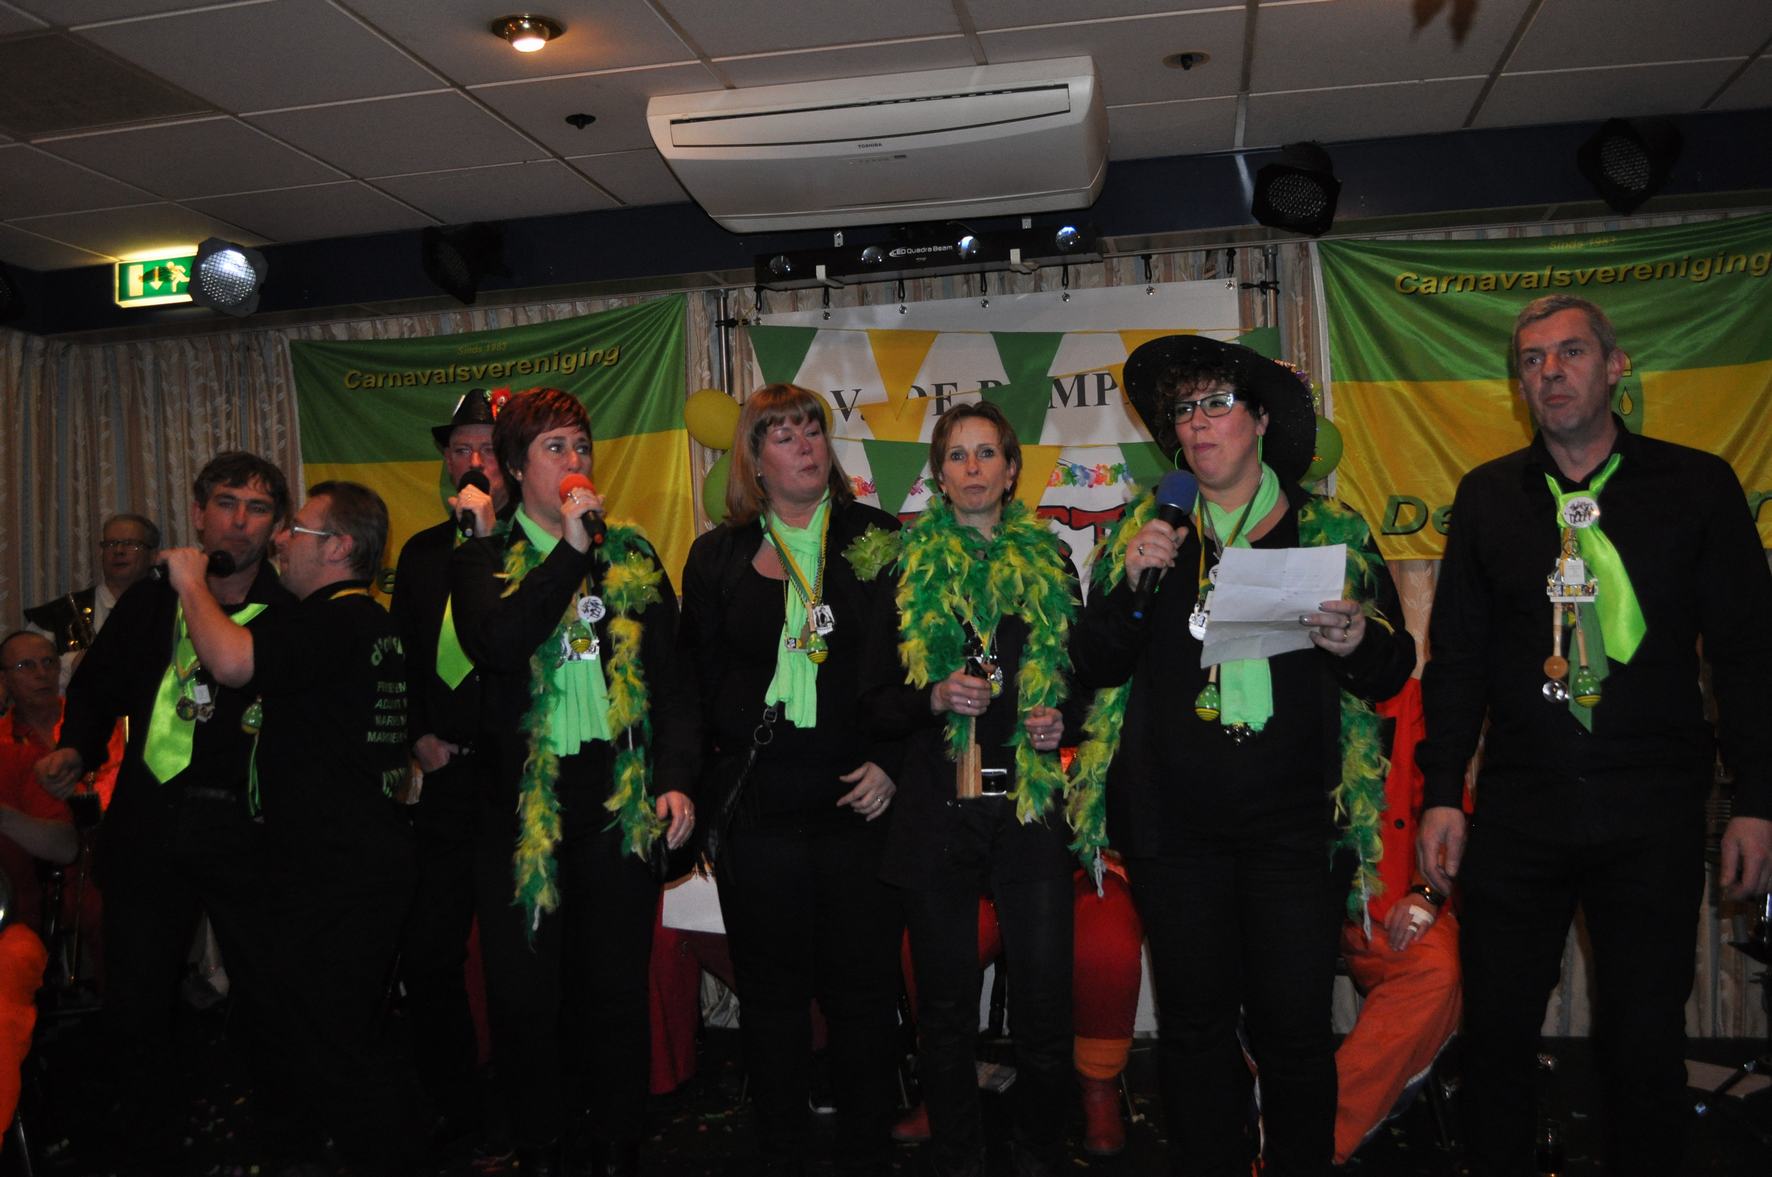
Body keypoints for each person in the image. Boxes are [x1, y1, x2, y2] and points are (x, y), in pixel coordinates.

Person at [1415, 295, 1772, 1177]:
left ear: (1615, 366)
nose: (1551, 372)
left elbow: (1746, 655)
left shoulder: (1697, 486)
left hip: (1651, 805)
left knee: (1643, 1040)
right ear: (1519, 384)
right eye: (1532, 360)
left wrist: (1758, 800)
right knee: (1496, 1033)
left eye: (1571, 352)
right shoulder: (1488, 496)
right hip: (1519, 807)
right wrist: (1441, 792)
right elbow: (1456, 660)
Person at [1069, 336, 1415, 1176]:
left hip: (1294, 829)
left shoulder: (1330, 531)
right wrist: (1133, 583)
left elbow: (1391, 667)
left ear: (1260, 420)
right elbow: (1095, 662)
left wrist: (1356, 638)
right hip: (1174, 830)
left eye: (1216, 404)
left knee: (1293, 1033)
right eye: (1184, 410)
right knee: (1193, 1030)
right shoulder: (1145, 532)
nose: (1197, 423)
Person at [450, 387, 695, 1177]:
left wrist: (675, 778)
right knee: (526, 997)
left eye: (581, 445)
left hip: (616, 797)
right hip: (522, 809)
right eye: (554, 447)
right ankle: (542, 1147)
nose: (574, 460)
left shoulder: (631, 553)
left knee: (616, 990)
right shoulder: (482, 556)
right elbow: (499, 642)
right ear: (514, 467)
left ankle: (619, 1144)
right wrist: (570, 550)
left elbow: (674, 683)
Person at [163, 480, 430, 1172]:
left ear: (338, 547)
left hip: (339, 871)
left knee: (337, 1044)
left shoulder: (336, 621)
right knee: (324, 1035)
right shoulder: (359, 621)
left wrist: (190, 582)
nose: (280, 539)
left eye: (297, 530)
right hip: (353, 861)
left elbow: (231, 662)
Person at [35, 451, 294, 1162]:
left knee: (268, 989)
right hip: (152, 815)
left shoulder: (288, 609)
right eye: (226, 503)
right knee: (137, 996)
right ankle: (150, 1139)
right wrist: (76, 747)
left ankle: (272, 1134)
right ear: (199, 513)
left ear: (276, 526)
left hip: (246, 825)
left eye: (257, 508)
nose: (239, 520)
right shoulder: (152, 601)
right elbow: (96, 688)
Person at [677, 383, 902, 1177]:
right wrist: (690, 784)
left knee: (863, 1000)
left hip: (856, 807)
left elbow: (921, 663)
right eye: (784, 435)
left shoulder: (877, 538)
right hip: (760, 815)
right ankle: (782, 1150)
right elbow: (691, 686)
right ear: (754, 458)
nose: (805, 445)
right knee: (771, 1006)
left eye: (812, 430)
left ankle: (868, 1151)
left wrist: (894, 763)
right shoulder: (718, 555)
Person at [859, 400, 1078, 1177]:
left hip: (1029, 803)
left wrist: (1061, 720)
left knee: (1045, 1004)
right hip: (938, 806)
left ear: (1013, 471)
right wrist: (932, 697)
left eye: (988, 453)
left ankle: (1041, 1152)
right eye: (958, 455)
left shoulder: (1053, 562)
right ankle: (958, 1157)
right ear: (939, 477)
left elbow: (1085, 681)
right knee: (945, 1009)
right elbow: (872, 701)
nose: (974, 467)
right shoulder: (902, 568)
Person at [388, 387, 509, 1138]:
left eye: (487, 449)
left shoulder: (538, 545)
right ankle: (454, 1099)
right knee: (431, 950)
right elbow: (399, 659)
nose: (472, 461)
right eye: (460, 449)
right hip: (443, 780)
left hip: (516, 782)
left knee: (516, 952)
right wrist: (415, 735)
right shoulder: (423, 553)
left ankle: (527, 1095)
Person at [1332, 678, 1460, 1165]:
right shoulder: (1269, 680)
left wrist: (1427, 892)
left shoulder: (1410, 700)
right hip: (1286, 895)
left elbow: (1450, 811)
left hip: (1384, 902)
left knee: (1435, 971)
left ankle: (1316, 1134)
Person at [0, 633, 79, 936]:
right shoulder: (6, 742)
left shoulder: (91, 727)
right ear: (4, 680)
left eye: (48, 662)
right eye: (26, 666)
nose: (41, 674)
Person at [26, 513, 161, 689]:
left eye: (130, 544)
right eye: (110, 544)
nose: (118, 551)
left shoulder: (172, 609)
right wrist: (72, 664)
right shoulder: (56, 616)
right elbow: (25, 680)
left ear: (153, 556)